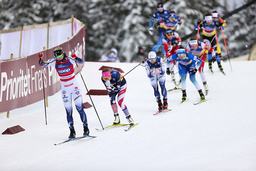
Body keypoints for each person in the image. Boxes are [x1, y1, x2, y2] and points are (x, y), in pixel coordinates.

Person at [38, 47, 89, 139]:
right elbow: (42, 64)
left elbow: (81, 62)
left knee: (79, 108)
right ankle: (72, 131)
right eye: (56, 56)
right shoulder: (54, 61)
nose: (58, 57)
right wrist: (40, 58)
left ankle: (86, 128)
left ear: (63, 53)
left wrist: (76, 57)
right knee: (68, 111)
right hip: (65, 88)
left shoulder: (69, 59)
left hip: (74, 85)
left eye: (60, 55)